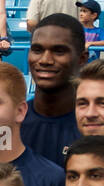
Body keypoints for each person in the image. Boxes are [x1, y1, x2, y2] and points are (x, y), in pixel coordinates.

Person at [22, 14, 88, 166]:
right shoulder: (10, 125)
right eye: (37, 50)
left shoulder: (93, 127)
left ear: (82, 59)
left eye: (59, 51)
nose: (45, 60)